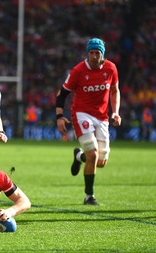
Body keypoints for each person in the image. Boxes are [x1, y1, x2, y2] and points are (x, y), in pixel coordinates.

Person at [55, 38, 121, 205]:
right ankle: (89, 196)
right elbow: (62, 93)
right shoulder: (78, 71)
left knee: (101, 162)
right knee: (92, 154)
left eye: (97, 53)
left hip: (103, 117)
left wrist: (116, 113)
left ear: (102, 54)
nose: (93, 56)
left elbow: (115, 90)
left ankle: (79, 156)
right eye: (91, 53)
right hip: (81, 114)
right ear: (87, 53)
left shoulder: (111, 68)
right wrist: (59, 116)